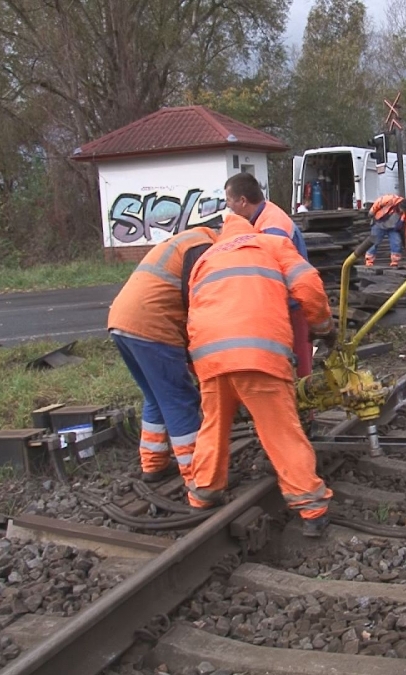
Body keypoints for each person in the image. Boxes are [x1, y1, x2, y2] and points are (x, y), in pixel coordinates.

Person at [186, 213, 336, 537]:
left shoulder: (205, 259)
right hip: (258, 354)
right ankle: (311, 508)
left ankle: (203, 493)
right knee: (281, 431)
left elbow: (195, 309)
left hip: (210, 358)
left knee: (213, 426)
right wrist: (323, 325)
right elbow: (308, 285)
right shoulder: (271, 243)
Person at [107, 226, 217, 484]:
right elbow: (198, 304)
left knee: (156, 397)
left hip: (121, 323)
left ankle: (153, 463)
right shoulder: (203, 248)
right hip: (153, 328)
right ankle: (198, 477)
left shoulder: (184, 241)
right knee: (180, 399)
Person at [223, 172, 316, 378]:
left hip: (291, 306)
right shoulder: (265, 217)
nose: (228, 206)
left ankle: (299, 409)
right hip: (288, 304)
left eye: (229, 200)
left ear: (243, 201)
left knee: (297, 369)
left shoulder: (271, 228)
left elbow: (273, 272)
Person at [365, 194, 406, 268]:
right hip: (379, 223)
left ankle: (395, 261)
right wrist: (371, 212)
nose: (402, 212)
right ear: (399, 205)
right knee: (373, 242)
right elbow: (378, 202)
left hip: (394, 228)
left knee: (396, 242)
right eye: (402, 210)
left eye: (404, 211)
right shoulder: (390, 199)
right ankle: (369, 261)